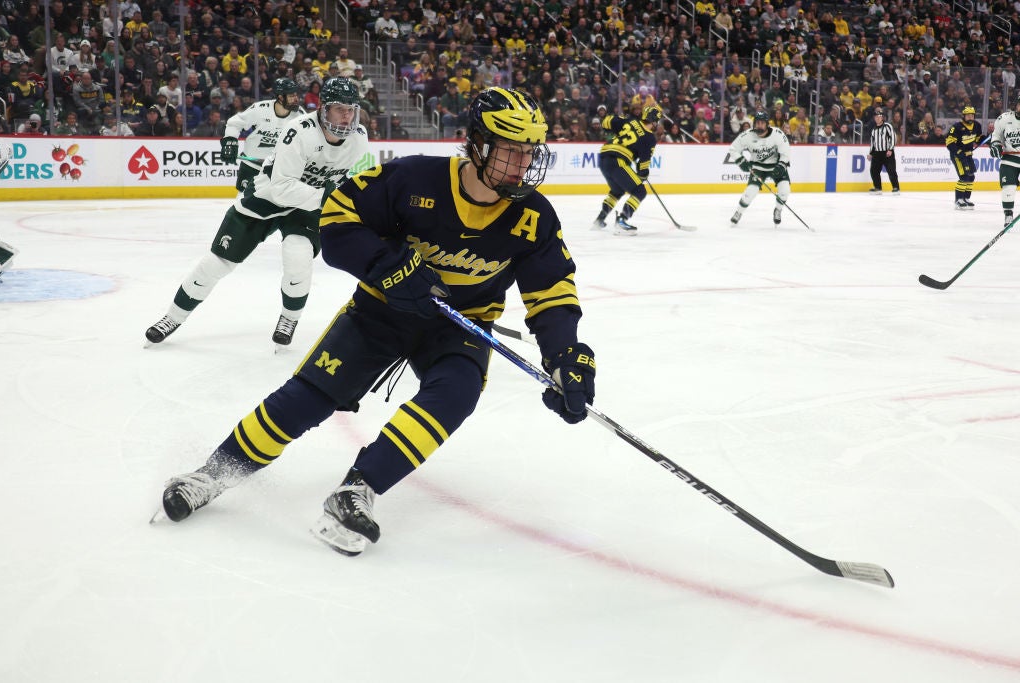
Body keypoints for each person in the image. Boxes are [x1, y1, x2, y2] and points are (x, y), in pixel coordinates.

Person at [154, 87, 594, 560]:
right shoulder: (415, 178)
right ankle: (213, 473)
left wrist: (565, 355)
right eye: (511, 150)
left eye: (529, 152)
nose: (523, 164)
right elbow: (338, 215)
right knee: (310, 395)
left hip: (461, 325)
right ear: (479, 144)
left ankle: (358, 489)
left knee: (456, 394)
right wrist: (389, 267)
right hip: (381, 311)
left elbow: (552, 291)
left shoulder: (534, 216)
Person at [144, 78, 370, 349]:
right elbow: (282, 188)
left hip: (306, 206)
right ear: (323, 108)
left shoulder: (359, 138)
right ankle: (172, 317)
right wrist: (326, 196)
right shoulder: (299, 131)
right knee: (216, 263)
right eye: (340, 109)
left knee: (298, 258)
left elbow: (347, 177)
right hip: (267, 197)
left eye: (351, 109)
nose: (347, 116)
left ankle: (289, 319)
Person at [219, 78, 304, 192]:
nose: (296, 99)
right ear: (280, 97)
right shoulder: (261, 109)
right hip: (251, 167)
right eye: (291, 96)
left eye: (296, 95)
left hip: (279, 171)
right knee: (243, 200)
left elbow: (309, 139)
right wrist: (230, 141)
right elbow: (235, 123)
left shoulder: (300, 116)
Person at [590, 104, 663, 236]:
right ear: (653, 121)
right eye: (656, 121)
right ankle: (622, 220)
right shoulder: (649, 137)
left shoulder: (631, 121)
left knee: (617, 191)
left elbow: (606, 122)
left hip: (603, 157)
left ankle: (600, 219)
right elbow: (644, 163)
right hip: (617, 161)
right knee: (640, 191)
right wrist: (643, 174)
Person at [726, 110, 792, 227]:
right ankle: (739, 212)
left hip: (776, 165)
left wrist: (782, 165)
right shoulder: (747, 135)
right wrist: (741, 161)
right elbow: (733, 149)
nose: (759, 125)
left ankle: (778, 210)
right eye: (757, 123)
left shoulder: (777, 134)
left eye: (762, 123)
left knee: (784, 191)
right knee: (750, 192)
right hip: (757, 167)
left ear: (767, 124)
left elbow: (785, 151)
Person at [990, 94, 1020, 226]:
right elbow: (996, 136)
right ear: (1015, 105)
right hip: (1009, 158)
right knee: (1009, 187)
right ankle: (1008, 214)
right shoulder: (1004, 119)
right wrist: (995, 145)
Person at [946, 105, 983, 210]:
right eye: (968, 115)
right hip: (957, 156)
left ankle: (966, 198)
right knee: (964, 177)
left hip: (968, 155)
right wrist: (959, 152)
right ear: (964, 116)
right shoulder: (957, 127)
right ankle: (958, 199)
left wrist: (987, 140)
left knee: (971, 177)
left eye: (972, 115)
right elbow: (949, 143)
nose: (970, 117)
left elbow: (978, 138)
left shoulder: (977, 125)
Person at [867, 108, 901, 195]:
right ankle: (878, 188)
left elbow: (893, 137)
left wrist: (890, 149)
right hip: (877, 153)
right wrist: (870, 153)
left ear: (882, 117)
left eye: (879, 116)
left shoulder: (887, 126)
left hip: (887, 153)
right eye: (876, 117)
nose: (877, 118)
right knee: (873, 170)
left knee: (891, 170)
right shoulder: (874, 130)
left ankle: (896, 187)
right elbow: (873, 143)